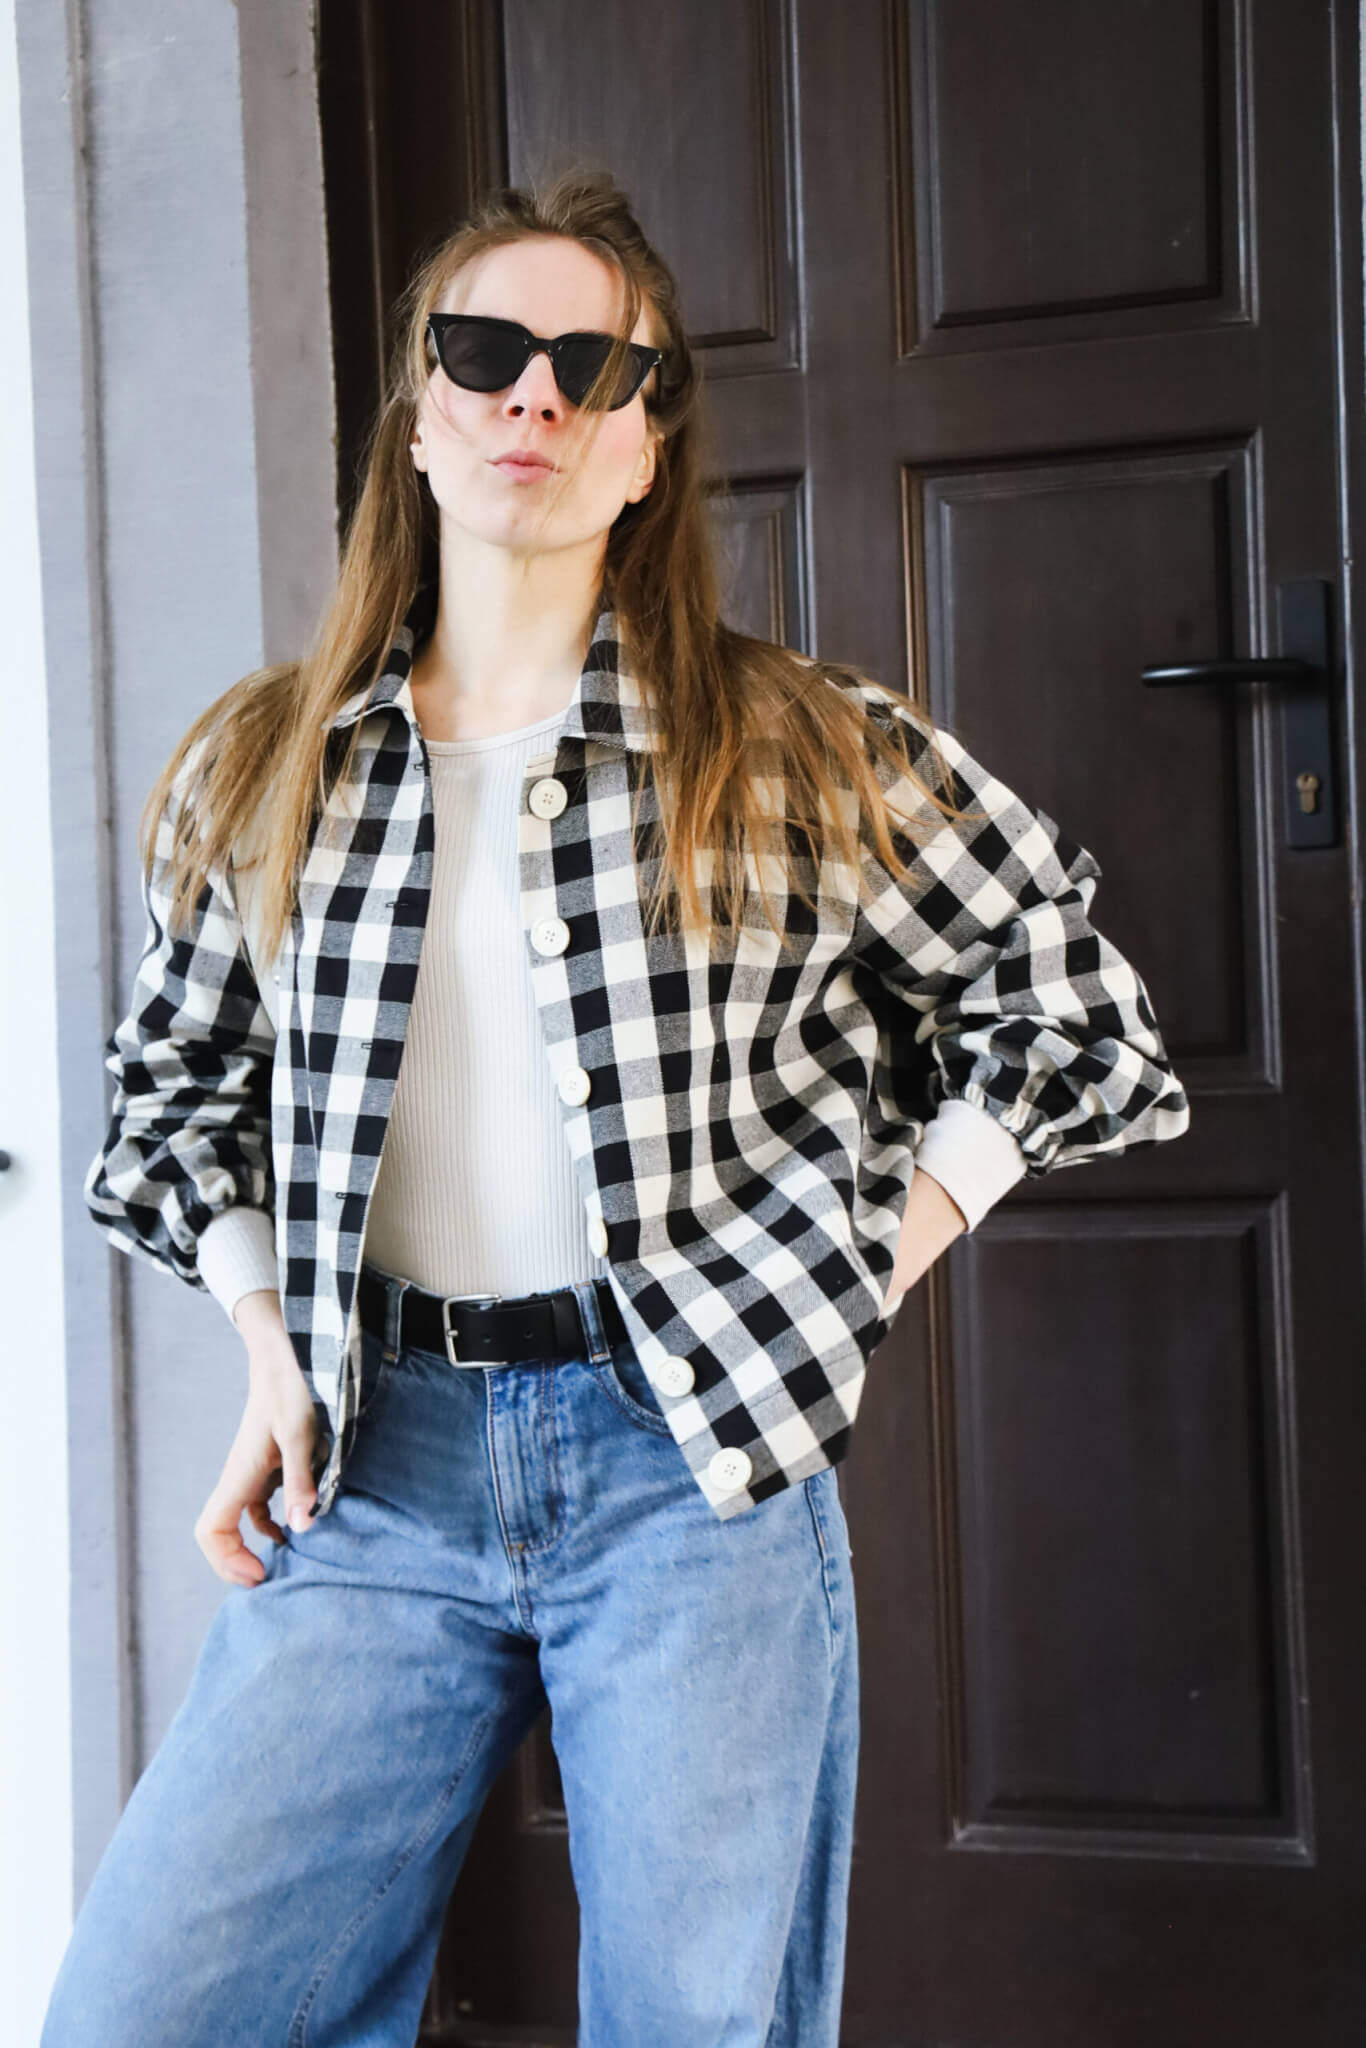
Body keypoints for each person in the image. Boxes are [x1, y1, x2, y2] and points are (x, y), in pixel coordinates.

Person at [42, 170, 1190, 2047]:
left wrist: (854, 1273)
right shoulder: (264, 767)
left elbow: (1077, 1017)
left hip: (691, 1478)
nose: (534, 396)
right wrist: (270, 1345)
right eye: (485, 351)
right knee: (148, 2014)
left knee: (693, 2026)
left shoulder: (804, 750)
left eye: (592, 367)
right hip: (374, 1471)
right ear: (419, 415)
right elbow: (171, 1105)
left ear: (649, 443)